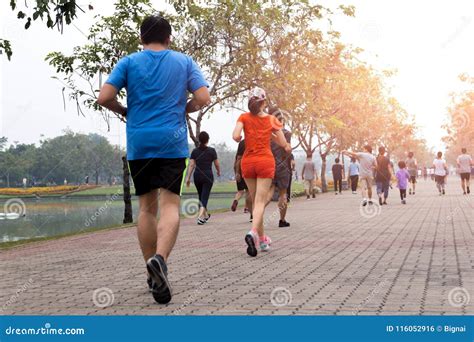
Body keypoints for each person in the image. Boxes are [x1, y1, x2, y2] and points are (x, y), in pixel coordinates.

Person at [97, 15, 210, 304]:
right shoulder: (183, 62)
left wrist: (125, 111)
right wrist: (186, 106)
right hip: (171, 143)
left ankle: (151, 270)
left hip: (140, 142)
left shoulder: (129, 62)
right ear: (169, 38)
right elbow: (203, 96)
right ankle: (160, 259)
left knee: (147, 208)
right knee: (170, 203)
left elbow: (104, 96)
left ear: (141, 38)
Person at [232, 87, 291, 257]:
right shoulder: (272, 120)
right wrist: (275, 138)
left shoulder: (243, 117)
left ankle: (263, 240)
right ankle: (252, 233)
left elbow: (236, 135)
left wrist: (239, 136)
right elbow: (282, 142)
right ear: (264, 102)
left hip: (248, 163)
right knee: (259, 202)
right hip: (265, 162)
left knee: (256, 203)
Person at [186, 131, 220, 225]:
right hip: (208, 176)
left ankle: (205, 216)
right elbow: (216, 164)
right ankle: (200, 217)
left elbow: (191, 165)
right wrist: (218, 171)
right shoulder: (212, 151)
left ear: (199, 140)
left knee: (201, 197)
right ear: (207, 140)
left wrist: (188, 178)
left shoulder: (195, 151)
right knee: (204, 198)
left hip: (197, 176)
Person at [266, 107, 292, 227]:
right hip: (282, 166)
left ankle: (257, 215)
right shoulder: (286, 133)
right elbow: (287, 150)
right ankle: (282, 220)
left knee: (268, 192)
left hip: (268, 164)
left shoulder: (265, 132)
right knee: (283, 193)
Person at [232, 139, 253, 221]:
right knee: (248, 192)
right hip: (249, 169)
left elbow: (238, 159)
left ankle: (236, 200)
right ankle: (251, 214)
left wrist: (237, 172)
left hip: (239, 169)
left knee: (240, 191)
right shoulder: (254, 141)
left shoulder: (242, 143)